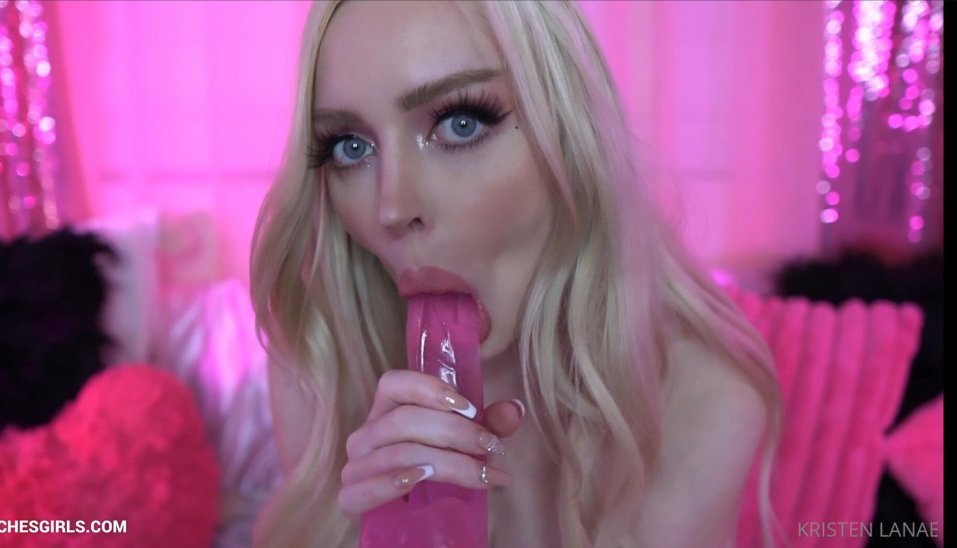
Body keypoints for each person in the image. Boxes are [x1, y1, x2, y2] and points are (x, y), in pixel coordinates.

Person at [249, 1, 784, 547]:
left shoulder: (701, 402)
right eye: (350, 147)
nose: (392, 208)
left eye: (460, 123)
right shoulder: (322, 363)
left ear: (572, 138)